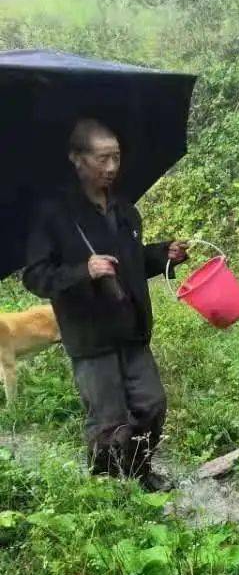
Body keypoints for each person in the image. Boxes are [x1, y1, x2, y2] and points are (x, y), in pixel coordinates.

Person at [22, 118, 188, 491]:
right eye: (102, 159)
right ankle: (107, 493)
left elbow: (130, 265)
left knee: (151, 405)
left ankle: (140, 473)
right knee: (109, 423)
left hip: (131, 329)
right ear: (76, 159)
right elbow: (35, 276)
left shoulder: (125, 210)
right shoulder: (53, 215)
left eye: (116, 158)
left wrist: (164, 255)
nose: (111, 167)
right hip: (91, 337)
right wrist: (84, 270)